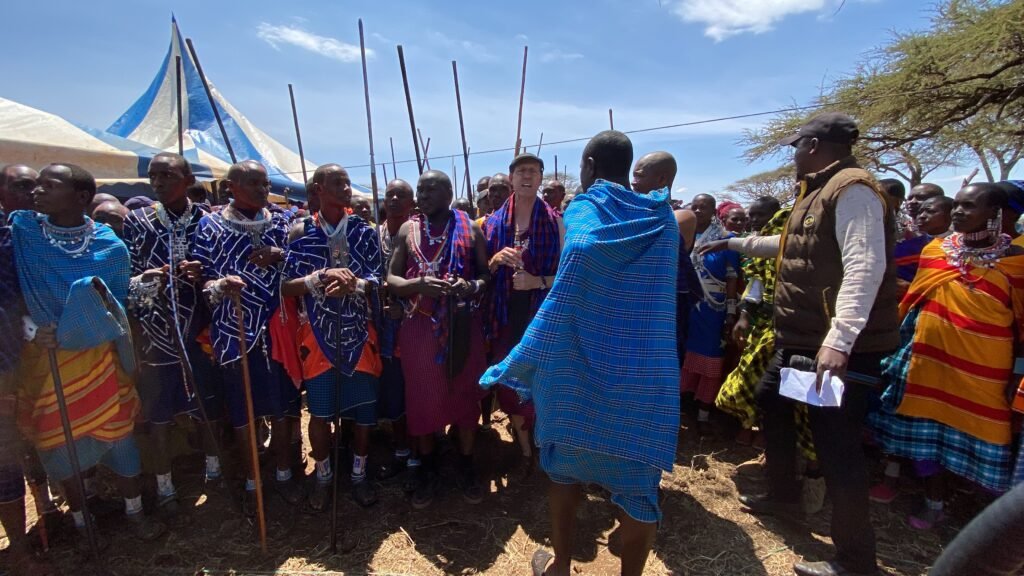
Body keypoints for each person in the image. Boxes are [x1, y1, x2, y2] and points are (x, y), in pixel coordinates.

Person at [705, 112, 898, 576]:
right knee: (771, 400)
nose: (792, 154)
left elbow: (865, 265)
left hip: (832, 346)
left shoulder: (852, 190)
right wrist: (735, 244)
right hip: (801, 340)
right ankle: (785, 496)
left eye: (796, 145)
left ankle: (855, 560)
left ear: (813, 145)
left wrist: (841, 340)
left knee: (838, 446)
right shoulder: (816, 191)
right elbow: (791, 245)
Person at [481, 131, 680, 576]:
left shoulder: (583, 210)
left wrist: (524, 356)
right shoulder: (662, 215)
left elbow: (572, 280)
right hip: (645, 371)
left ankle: (562, 564)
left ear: (588, 165)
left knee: (564, 472)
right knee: (639, 489)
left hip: (576, 369)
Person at [11, 163, 166, 547]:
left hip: (101, 358)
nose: (38, 192)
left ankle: (135, 514)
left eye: (50, 185)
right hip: (47, 363)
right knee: (59, 444)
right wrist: (30, 328)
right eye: (37, 185)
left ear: (80, 197)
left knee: (119, 437)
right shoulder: (23, 232)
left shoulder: (111, 247)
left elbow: (115, 307)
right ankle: (83, 525)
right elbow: (7, 291)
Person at [870, 183, 1024, 531]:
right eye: (957, 205)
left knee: (987, 443)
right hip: (928, 362)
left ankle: (988, 529)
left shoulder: (1016, 261)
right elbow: (913, 304)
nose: (958, 212)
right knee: (923, 438)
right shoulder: (936, 250)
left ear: (995, 214)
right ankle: (934, 501)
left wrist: (1018, 373)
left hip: (984, 372)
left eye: (969, 207)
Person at [192, 160, 304, 516]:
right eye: (253, 183)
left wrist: (280, 254)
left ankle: (285, 472)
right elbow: (203, 280)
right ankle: (253, 479)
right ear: (230, 188)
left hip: (279, 327)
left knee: (285, 404)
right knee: (244, 410)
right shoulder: (210, 226)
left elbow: (302, 265)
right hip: (236, 329)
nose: (261, 189)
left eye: (264, 183)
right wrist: (222, 285)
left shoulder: (283, 222)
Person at [122, 152, 224, 516]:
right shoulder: (137, 221)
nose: (159, 183)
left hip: (199, 324)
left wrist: (203, 272)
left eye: (167, 175)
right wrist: (148, 278)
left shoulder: (207, 221)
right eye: (154, 177)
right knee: (159, 411)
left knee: (206, 401)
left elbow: (219, 267)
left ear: (187, 178)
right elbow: (127, 277)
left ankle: (215, 473)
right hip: (156, 328)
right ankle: (164, 486)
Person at [386, 170, 490, 509]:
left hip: (461, 326)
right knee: (423, 399)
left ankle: (467, 464)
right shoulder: (407, 229)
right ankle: (428, 469)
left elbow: (485, 276)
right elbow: (391, 279)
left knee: (463, 394)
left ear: (448, 193)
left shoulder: (470, 227)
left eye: (431, 189)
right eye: (420, 189)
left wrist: (469, 286)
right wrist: (419, 285)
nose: (423, 195)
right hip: (419, 325)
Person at [282, 164, 384, 510]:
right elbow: (286, 285)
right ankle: (323, 477)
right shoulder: (300, 233)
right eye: (336, 183)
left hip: (358, 333)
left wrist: (356, 284)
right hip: (318, 335)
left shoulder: (363, 231)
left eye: (346, 182)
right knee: (321, 413)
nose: (345, 188)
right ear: (318, 189)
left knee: (364, 414)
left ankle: (358, 475)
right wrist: (319, 278)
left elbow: (378, 279)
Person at [485, 153, 565, 471]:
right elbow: (480, 272)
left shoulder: (557, 222)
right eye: (521, 171)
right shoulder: (491, 223)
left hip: (542, 314)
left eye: (533, 170)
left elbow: (566, 276)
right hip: (504, 314)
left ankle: (539, 438)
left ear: (541, 177)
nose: (527, 175)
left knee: (539, 379)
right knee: (511, 377)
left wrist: (536, 281)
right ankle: (524, 446)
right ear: (511, 178)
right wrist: (494, 262)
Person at [631, 151, 699, 367]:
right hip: (637, 309)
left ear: (661, 179)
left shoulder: (681, 217)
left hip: (665, 312)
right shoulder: (637, 214)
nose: (633, 182)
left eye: (639, 175)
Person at [681, 193, 741, 434]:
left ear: (714, 211)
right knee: (682, 355)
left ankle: (703, 414)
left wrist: (730, 311)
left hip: (712, 310)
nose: (697, 211)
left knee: (710, 358)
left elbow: (732, 278)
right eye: (693, 206)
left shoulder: (726, 241)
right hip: (686, 308)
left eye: (703, 207)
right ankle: (680, 407)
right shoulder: (684, 235)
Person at [375, 179, 416, 486]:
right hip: (380, 329)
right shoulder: (370, 236)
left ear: (412, 204)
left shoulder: (420, 235)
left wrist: (407, 305)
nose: (394, 199)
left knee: (417, 390)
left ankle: (422, 451)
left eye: (402, 195)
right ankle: (401, 450)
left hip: (415, 326)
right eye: (390, 194)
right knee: (393, 393)